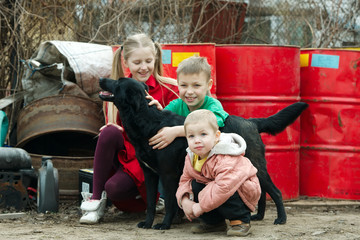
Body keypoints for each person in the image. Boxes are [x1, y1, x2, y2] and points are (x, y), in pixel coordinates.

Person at [80, 33, 178, 224]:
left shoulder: (170, 88)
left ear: (156, 58)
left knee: (118, 188)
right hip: (132, 154)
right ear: (126, 62)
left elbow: (184, 121)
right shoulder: (117, 89)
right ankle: (96, 199)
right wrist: (114, 128)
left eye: (148, 61)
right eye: (137, 62)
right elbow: (122, 130)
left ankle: (159, 198)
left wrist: (162, 111)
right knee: (108, 132)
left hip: (161, 152)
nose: (144, 67)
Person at [176, 109, 261, 236]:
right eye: (191, 136)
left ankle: (240, 221)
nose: (197, 140)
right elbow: (185, 180)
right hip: (215, 190)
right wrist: (185, 200)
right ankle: (213, 222)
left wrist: (200, 207)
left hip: (241, 190)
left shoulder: (225, 156)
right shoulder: (191, 156)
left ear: (216, 136)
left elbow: (224, 186)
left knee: (229, 188)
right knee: (195, 184)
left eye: (203, 134)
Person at [149, 56, 229, 150]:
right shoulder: (176, 104)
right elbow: (163, 118)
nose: (189, 91)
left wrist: (175, 131)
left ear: (209, 85)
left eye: (196, 85)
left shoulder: (213, 106)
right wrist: (157, 111)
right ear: (178, 84)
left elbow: (209, 126)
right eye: (184, 85)